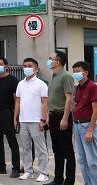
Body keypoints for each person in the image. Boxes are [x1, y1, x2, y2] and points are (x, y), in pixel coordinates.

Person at [15, 57, 49, 182]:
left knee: (41, 148)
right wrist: (16, 118)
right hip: (23, 120)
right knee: (25, 148)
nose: (27, 68)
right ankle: (28, 171)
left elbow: (45, 103)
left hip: (36, 120)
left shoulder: (41, 84)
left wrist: (43, 120)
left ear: (36, 69)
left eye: (30, 66)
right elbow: (18, 102)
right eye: (25, 66)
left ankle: (43, 172)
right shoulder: (20, 84)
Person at [0, 57, 21, 178]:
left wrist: (15, 117)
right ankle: (0, 166)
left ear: (6, 66)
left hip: (7, 113)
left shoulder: (12, 80)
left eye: (0, 64)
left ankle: (16, 168)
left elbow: (16, 99)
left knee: (12, 141)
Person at [46, 50, 75, 185]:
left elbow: (69, 99)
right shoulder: (54, 76)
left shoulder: (66, 76)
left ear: (57, 62)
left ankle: (69, 181)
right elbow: (51, 98)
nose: (49, 60)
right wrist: (48, 115)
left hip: (62, 116)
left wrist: (65, 118)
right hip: (53, 116)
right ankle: (58, 179)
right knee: (57, 150)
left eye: (51, 58)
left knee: (67, 150)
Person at [71, 61, 97, 185]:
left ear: (85, 73)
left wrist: (90, 130)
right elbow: (77, 106)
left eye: (78, 71)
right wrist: (74, 130)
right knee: (81, 160)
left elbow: (95, 110)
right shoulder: (78, 88)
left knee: (92, 161)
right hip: (77, 125)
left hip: (87, 126)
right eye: (74, 71)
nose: (75, 74)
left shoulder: (92, 87)